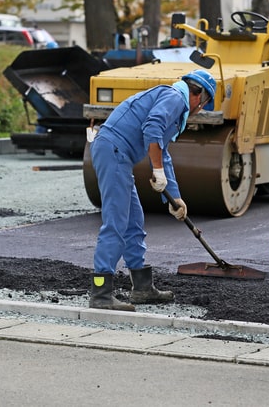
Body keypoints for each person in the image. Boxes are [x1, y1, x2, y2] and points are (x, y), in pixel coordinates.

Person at [88, 69, 216, 311]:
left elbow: (163, 153)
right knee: (116, 222)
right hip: (113, 152)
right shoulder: (176, 98)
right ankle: (100, 292)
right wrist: (156, 171)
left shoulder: (172, 100)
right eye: (204, 105)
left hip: (117, 155)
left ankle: (142, 288)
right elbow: (152, 129)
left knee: (134, 221)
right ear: (200, 97)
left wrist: (174, 197)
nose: (199, 111)